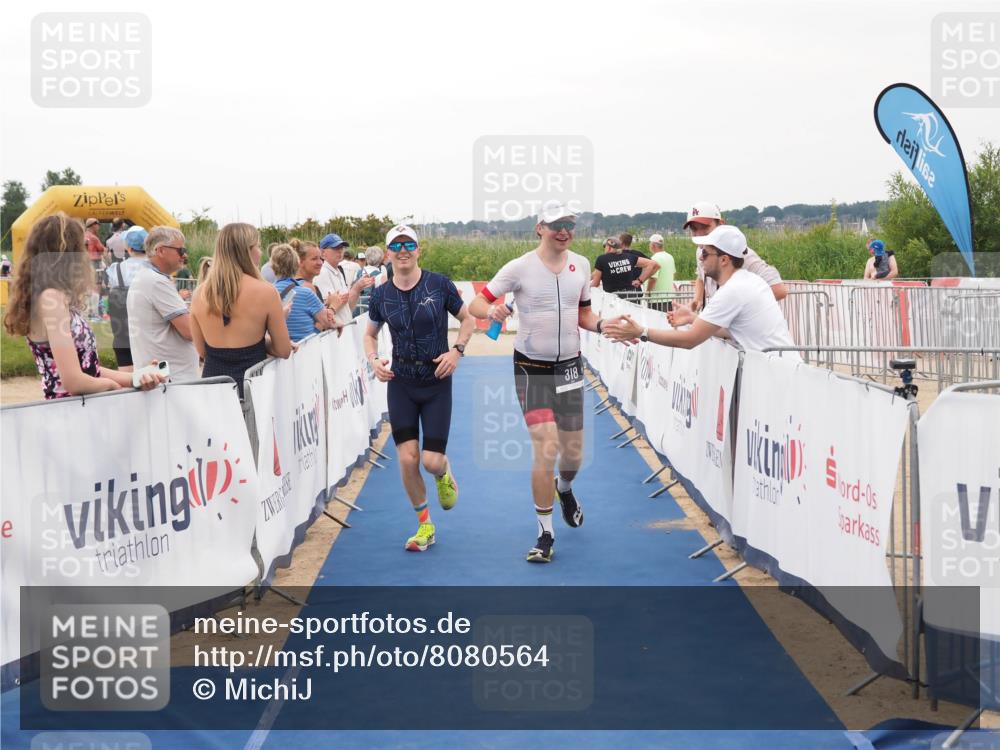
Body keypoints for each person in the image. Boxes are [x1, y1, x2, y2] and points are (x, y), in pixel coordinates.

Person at [469, 201, 610, 564]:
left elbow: (583, 314)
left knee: (572, 454)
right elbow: (476, 305)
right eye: (556, 224)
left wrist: (602, 325)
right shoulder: (520, 267)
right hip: (531, 367)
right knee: (546, 446)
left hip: (569, 368)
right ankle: (545, 533)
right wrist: (492, 310)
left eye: (569, 225)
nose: (564, 231)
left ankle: (565, 488)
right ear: (540, 228)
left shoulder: (581, 265)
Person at [363, 224, 476, 553]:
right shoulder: (381, 294)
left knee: (430, 461)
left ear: (418, 250)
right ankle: (425, 525)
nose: (403, 251)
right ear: (387, 254)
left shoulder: (439, 284)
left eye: (409, 245)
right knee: (407, 458)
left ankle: (444, 472)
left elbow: (468, 320)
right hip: (401, 382)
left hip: (436, 380)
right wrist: (373, 360)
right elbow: (369, 334)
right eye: (396, 246)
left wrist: (457, 351)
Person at [2, 213, 165, 399]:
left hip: (80, 407)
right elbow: (74, 382)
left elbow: (88, 368)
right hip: (73, 410)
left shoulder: (51, 296)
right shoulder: (51, 298)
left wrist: (137, 377)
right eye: (82, 247)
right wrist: (115, 388)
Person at [605, 225, 799, 361]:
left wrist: (642, 332)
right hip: (779, 368)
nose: (700, 258)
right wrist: (693, 318)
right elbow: (734, 329)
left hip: (777, 374)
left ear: (724, 260)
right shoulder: (748, 281)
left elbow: (690, 340)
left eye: (705, 253)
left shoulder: (733, 290)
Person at [190, 223, 292, 397]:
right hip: (252, 389)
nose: (260, 252)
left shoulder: (199, 293)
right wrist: (263, 341)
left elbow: (202, 351)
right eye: (258, 246)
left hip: (213, 389)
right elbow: (283, 350)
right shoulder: (266, 292)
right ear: (247, 251)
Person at [127, 226, 201, 382]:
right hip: (172, 379)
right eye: (180, 250)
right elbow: (190, 331)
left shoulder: (147, 277)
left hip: (164, 377)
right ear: (161, 250)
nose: (185, 255)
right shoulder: (156, 282)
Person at [686, 202, 787, 311]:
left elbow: (779, 290)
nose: (699, 234)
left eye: (705, 227)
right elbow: (701, 277)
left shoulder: (741, 254)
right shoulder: (700, 251)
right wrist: (697, 299)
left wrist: (738, 309)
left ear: (721, 224)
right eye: (694, 229)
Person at [104, 226, 151, 370]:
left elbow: (108, 287)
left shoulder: (116, 269)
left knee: (127, 377)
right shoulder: (154, 268)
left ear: (128, 247)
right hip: (149, 334)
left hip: (123, 333)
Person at [270, 243, 337, 342]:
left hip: (279, 347)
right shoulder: (307, 291)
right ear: (298, 263)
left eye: (321, 258)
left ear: (272, 266)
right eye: (314, 259)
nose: (320, 262)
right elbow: (325, 323)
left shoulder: (268, 291)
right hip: (305, 347)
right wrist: (333, 307)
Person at [315, 233, 373, 326]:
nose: (340, 251)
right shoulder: (322, 273)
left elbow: (348, 308)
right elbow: (325, 312)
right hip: (336, 331)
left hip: (344, 328)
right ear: (322, 252)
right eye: (335, 248)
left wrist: (357, 287)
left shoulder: (338, 272)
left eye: (342, 248)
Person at [591, 236, 656, 297]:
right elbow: (652, 264)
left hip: (613, 298)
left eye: (605, 247)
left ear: (609, 248)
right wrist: (640, 280)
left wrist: (587, 288)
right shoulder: (629, 256)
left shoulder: (601, 259)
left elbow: (596, 283)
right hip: (631, 296)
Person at [353, 245, 387, 315]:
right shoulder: (381, 275)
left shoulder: (358, 272)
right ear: (380, 259)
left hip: (356, 309)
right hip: (372, 312)